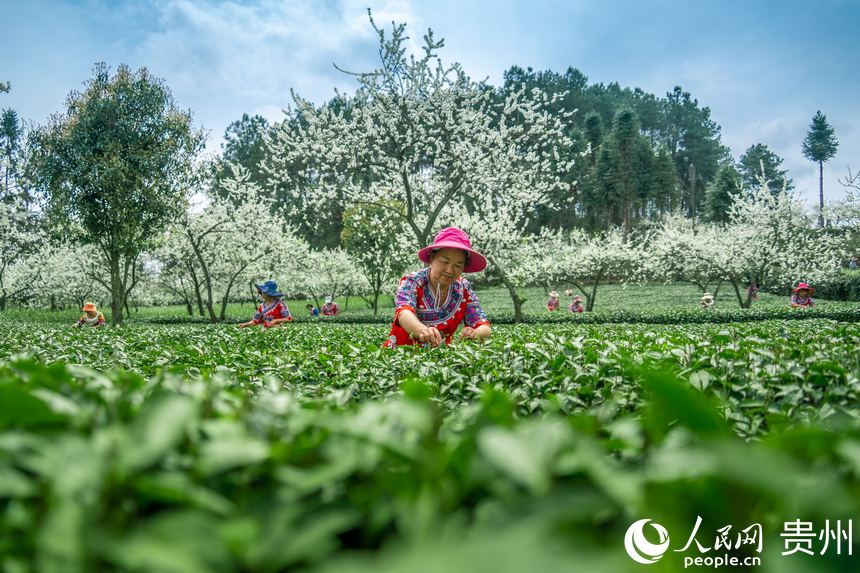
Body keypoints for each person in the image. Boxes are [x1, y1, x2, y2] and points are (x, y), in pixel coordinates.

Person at [384, 226, 490, 348]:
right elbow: (404, 313)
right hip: (401, 356)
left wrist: (476, 333)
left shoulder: (463, 289)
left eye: (458, 265)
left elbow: (484, 326)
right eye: (444, 262)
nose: (450, 270)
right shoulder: (412, 282)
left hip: (440, 359)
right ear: (432, 258)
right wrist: (422, 330)